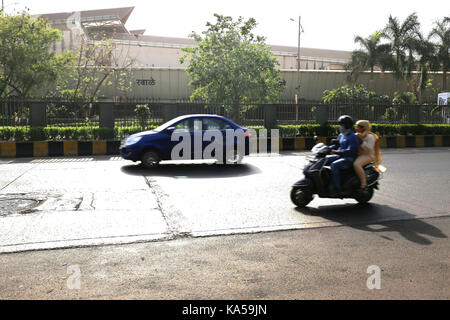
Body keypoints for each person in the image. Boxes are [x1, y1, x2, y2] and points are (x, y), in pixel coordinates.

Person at [327, 115, 359, 192]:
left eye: (342, 125)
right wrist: (326, 148)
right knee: (324, 160)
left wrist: (338, 152)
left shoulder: (352, 136)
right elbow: (336, 145)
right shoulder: (341, 135)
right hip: (340, 156)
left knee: (334, 165)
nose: (340, 126)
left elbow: (350, 151)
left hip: (349, 158)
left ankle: (337, 187)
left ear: (347, 125)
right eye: (340, 124)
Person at [354, 120, 382, 190]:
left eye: (358, 127)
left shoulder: (370, 136)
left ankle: (364, 184)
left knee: (356, 164)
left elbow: (368, 148)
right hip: (359, 154)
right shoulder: (358, 134)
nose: (356, 128)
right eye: (356, 126)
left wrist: (361, 140)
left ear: (364, 128)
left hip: (368, 156)